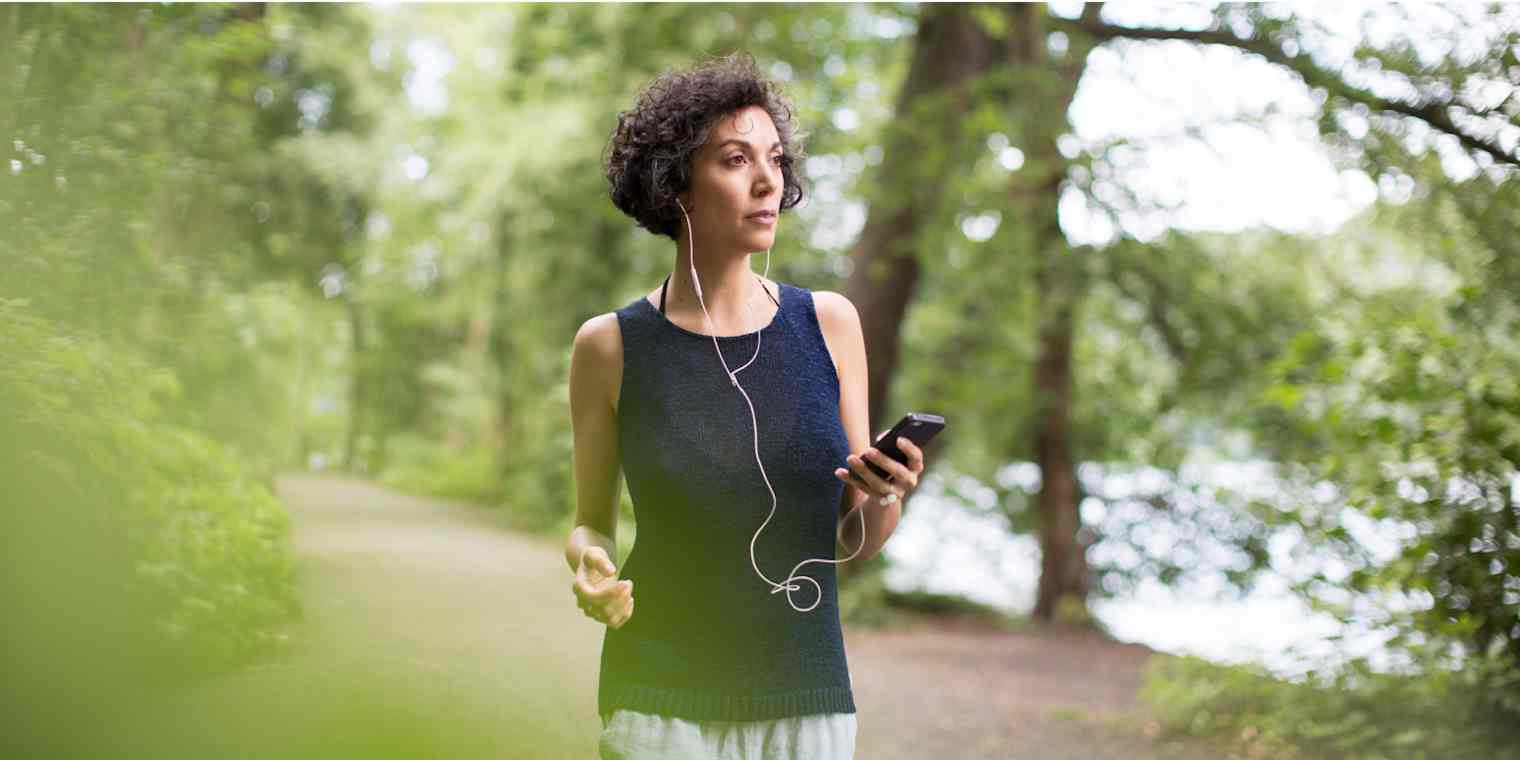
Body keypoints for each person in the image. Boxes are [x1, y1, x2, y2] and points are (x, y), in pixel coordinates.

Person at [565, 51, 926, 760]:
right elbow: (591, 525)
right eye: (736, 160)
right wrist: (589, 568)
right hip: (658, 700)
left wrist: (885, 494)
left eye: (776, 159)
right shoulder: (609, 346)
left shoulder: (829, 324)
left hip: (807, 698)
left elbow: (851, 541)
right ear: (676, 186)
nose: (770, 181)